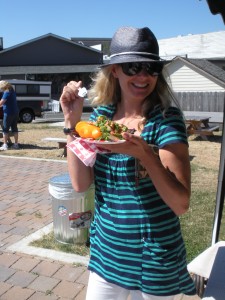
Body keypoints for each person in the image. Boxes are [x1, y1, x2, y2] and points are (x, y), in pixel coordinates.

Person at [60, 26, 198, 300]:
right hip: (106, 252)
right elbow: (80, 183)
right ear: (116, 70)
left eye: (151, 67)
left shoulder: (165, 121)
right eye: (134, 67)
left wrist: (145, 154)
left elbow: (180, 204)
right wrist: (71, 122)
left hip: (153, 259)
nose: (144, 76)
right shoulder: (102, 117)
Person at [0, 80, 19, 150]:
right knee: (14, 129)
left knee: (5, 129)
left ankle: (5, 145)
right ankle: (16, 144)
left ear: (3, 86)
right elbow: (8, 102)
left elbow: (1, 103)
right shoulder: (12, 91)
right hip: (15, 112)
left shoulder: (6, 92)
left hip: (8, 113)